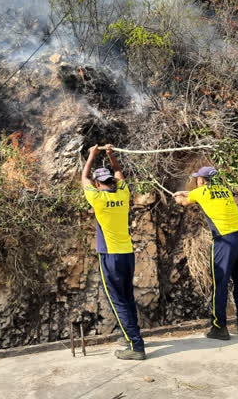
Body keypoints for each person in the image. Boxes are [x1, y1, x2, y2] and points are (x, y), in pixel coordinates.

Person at [173, 166, 238, 340]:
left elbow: (184, 201)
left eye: (197, 179)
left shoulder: (201, 192)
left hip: (225, 240)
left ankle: (219, 327)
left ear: (202, 180)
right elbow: (197, 195)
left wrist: (178, 197)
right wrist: (186, 193)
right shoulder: (225, 190)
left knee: (220, 283)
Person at [81, 144, 145, 360]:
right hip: (127, 253)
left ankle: (135, 346)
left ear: (99, 184)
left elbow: (84, 177)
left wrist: (91, 155)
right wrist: (110, 154)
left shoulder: (98, 199)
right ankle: (130, 338)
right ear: (113, 182)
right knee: (127, 297)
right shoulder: (124, 193)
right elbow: (119, 173)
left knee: (117, 300)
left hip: (110, 256)